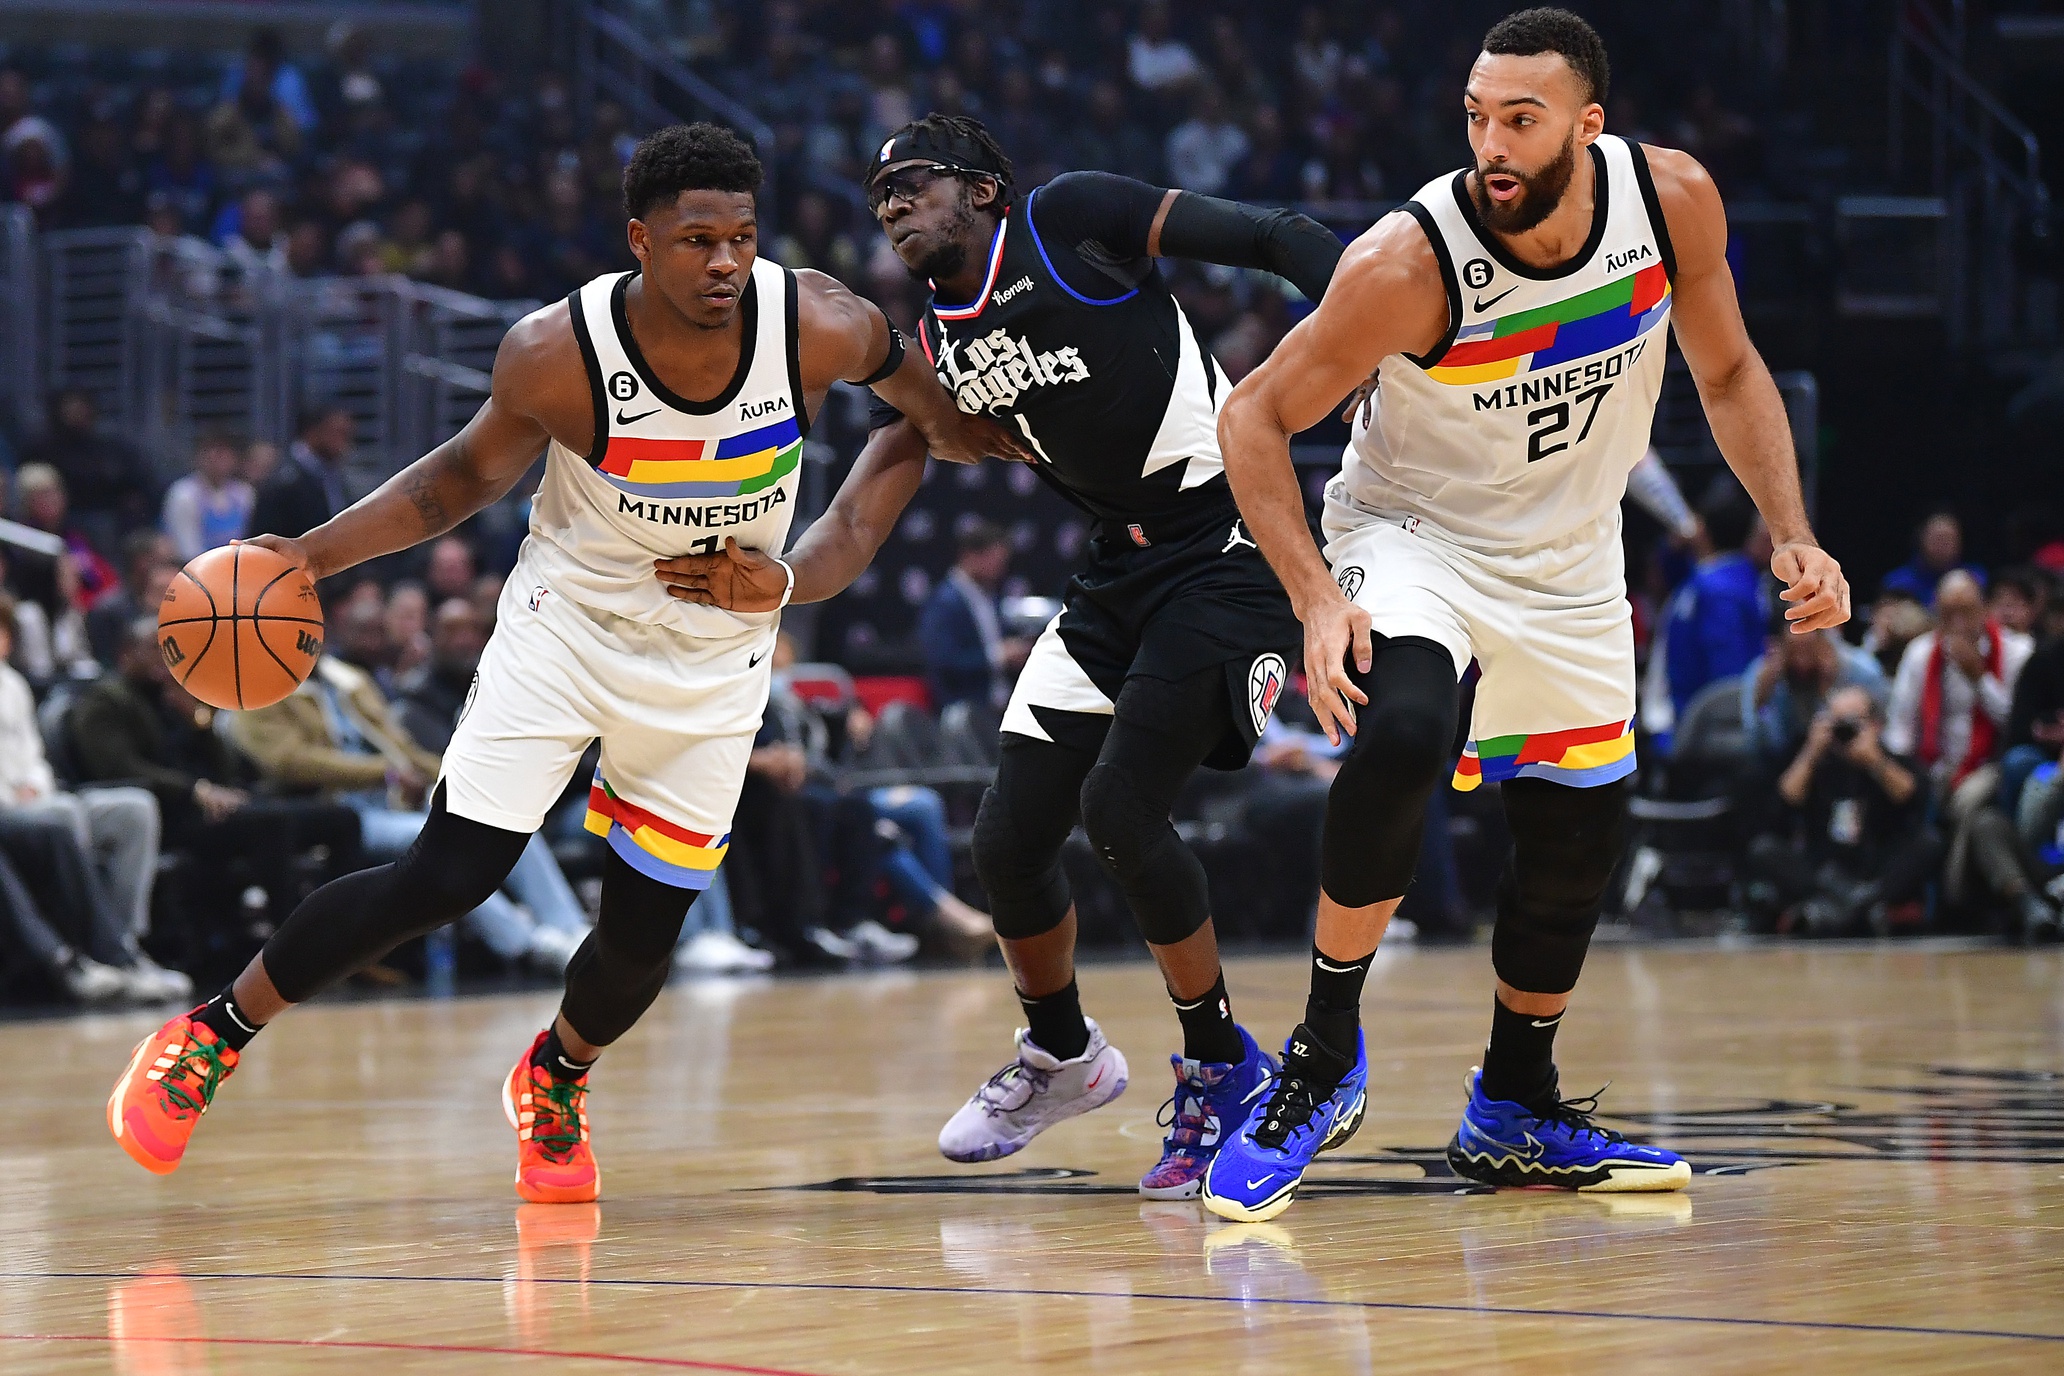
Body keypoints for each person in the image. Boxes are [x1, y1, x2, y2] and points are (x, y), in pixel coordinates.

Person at [108, 122, 1017, 1202]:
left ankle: (556, 1074)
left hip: (716, 657)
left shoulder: (821, 322)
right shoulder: (556, 350)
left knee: (639, 940)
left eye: (740, 236)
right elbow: (454, 482)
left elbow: (928, 428)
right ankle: (214, 1032)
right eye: (694, 240)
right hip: (567, 629)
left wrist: (799, 574)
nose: (724, 261)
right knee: (446, 874)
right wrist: (306, 554)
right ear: (640, 240)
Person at [1206, 9, 1850, 1218]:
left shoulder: (1673, 205)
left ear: (1588, 127)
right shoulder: (1409, 264)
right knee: (1401, 728)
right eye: (1475, 117)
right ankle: (1324, 1053)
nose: (1490, 144)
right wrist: (1311, 598)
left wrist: (1792, 529)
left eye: (1521, 119)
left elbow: (1725, 371)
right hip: (1416, 537)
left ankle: (1514, 1102)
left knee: (1579, 834)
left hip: (1568, 554)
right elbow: (1252, 415)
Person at [659, 112, 1342, 1199]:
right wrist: (777, 578)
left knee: (1121, 811)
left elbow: (1275, 233)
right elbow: (856, 520)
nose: (891, 206)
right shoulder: (931, 351)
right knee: (1008, 836)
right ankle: (1065, 1054)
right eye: (878, 196)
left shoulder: (1070, 217)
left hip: (1229, 546)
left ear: (982, 188)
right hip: (1114, 577)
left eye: (913, 183)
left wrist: (1382, 327)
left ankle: (1224, 1063)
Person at [0, 598, 186, 1001]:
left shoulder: (12, 683)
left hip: (40, 795)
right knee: (60, 818)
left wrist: (36, 783)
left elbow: (34, 754)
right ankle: (89, 951)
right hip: (9, 808)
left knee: (133, 808)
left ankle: (125, 944)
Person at [1882, 570, 2052, 936]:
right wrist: (1908, 770)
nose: (1958, 623)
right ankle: (1907, 897)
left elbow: (2017, 726)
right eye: (1948, 613)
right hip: (1935, 766)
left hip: (1992, 765)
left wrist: (1979, 679)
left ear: (1985, 609)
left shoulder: (2017, 651)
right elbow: (1899, 731)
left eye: (1967, 611)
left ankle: (1954, 893)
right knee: (1906, 788)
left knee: (1968, 799)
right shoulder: (1920, 654)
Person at [1743, 685, 1937, 935]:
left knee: (1929, 842)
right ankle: (1862, 910)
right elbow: (1783, 803)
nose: (1844, 732)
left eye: (1852, 723)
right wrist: (1811, 754)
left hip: (1876, 868)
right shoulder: (1815, 759)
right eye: (1836, 722)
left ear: (1875, 725)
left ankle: (1837, 910)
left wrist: (1874, 762)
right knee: (1764, 849)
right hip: (1823, 872)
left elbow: (1913, 797)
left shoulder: (1889, 759)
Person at [1662, 478, 1770, 725]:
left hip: (1698, 720)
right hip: (1703, 722)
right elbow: (1728, 678)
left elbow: (1726, 673)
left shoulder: (1714, 584)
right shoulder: (1722, 584)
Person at [918, 519, 1025, 710]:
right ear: (970, 557)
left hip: (1001, 706)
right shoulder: (944, 602)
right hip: (963, 707)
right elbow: (945, 661)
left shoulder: (991, 597)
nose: (1000, 570)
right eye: (995, 562)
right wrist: (998, 656)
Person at [248, 404, 354, 542]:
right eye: (338, 433)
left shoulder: (335, 477)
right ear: (313, 432)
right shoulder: (281, 480)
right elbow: (262, 540)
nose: (344, 444)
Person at [160, 430, 255, 562]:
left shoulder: (244, 493)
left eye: (224, 453)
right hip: (197, 569)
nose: (217, 458)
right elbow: (186, 550)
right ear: (198, 456)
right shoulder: (183, 494)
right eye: (210, 451)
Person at [1881, 510, 1984, 607]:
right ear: (1921, 540)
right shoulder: (1897, 583)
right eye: (1938, 538)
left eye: (1949, 539)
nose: (1943, 544)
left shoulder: (1974, 579)